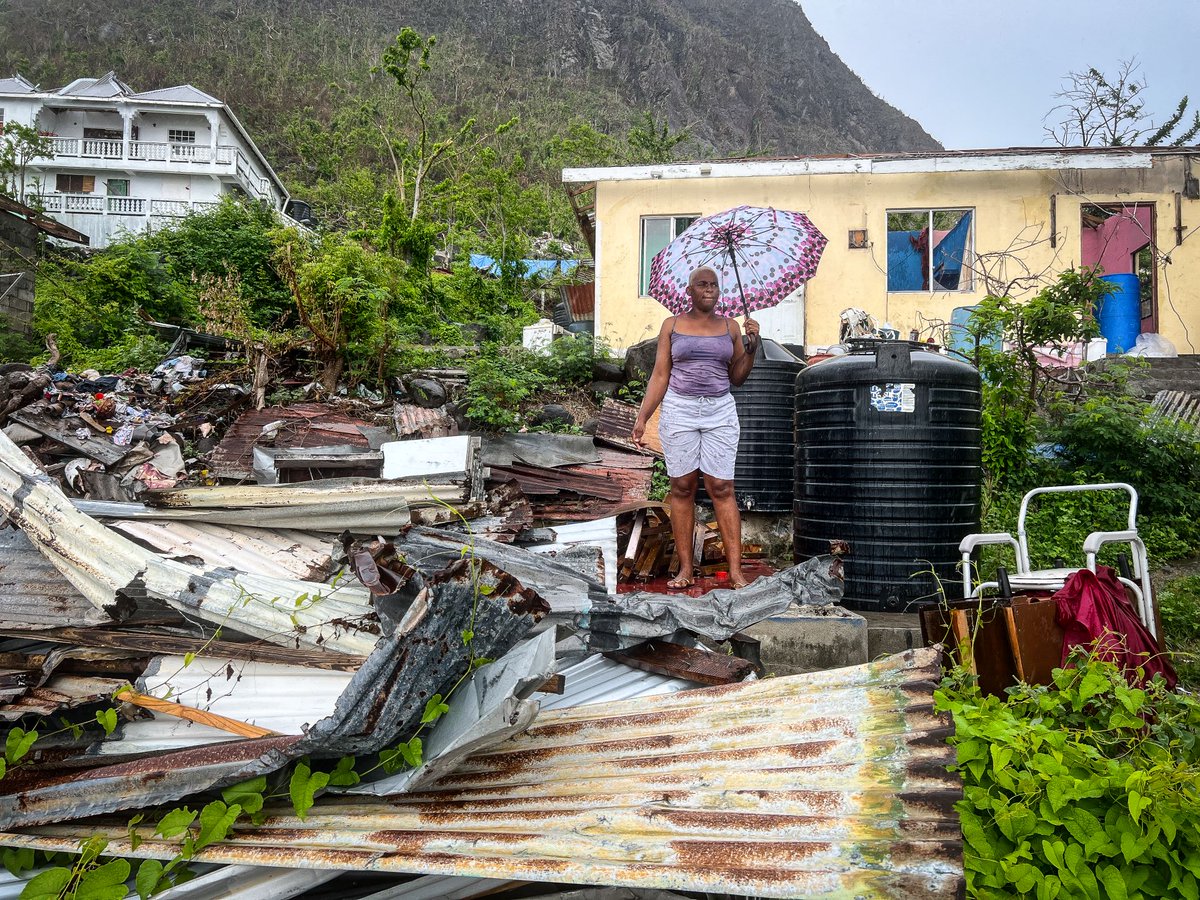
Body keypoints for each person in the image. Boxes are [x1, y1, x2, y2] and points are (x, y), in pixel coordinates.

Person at [632, 266, 760, 589]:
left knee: (722, 487)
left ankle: (735, 572)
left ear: (720, 291)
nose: (709, 290)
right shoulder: (672, 326)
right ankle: (685, 569)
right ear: (689, 292)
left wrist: (753, 347)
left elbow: (738, 377)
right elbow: (660, 375)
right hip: (680, 410)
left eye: (714, 285)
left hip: (719, 411)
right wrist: (642, 416)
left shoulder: (731, 328)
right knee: (682, 487)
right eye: (702, 285)